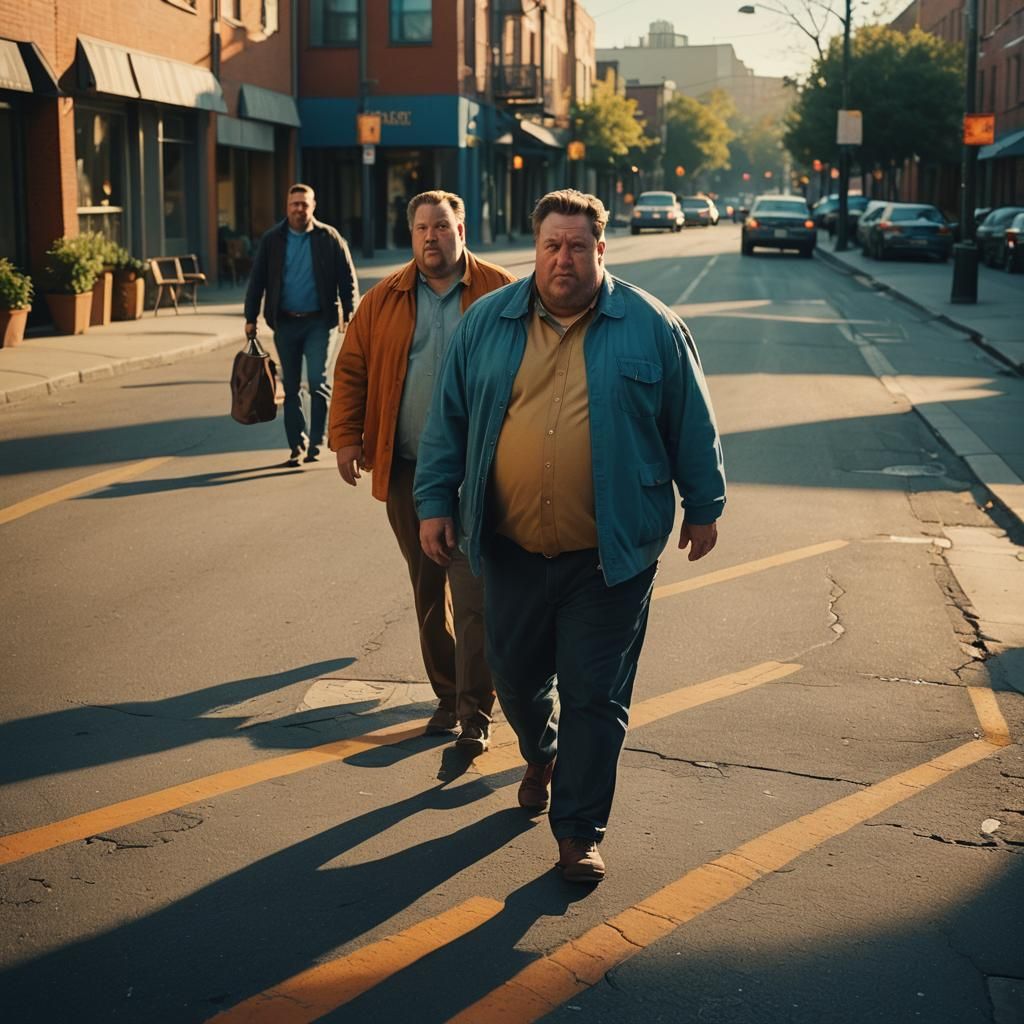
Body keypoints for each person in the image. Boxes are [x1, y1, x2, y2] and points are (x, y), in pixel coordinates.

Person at [414, 189, 725, 883]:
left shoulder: (652, 326)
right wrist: (434, 501)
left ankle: (579, 831)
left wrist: (704, 504)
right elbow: (447, 421)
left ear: (600, 250)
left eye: (578, 246)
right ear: (536, 249)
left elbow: (691, 422)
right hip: (510, 549)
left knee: (596, 694)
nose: (564, 258)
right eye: (552, 245)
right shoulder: (488, 323)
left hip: (611, 556)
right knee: (515, 676)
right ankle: (542, 750)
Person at [328, 190, 515, 755]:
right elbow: (352, 368)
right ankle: (448, 693)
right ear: (411, 235)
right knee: (428, 589)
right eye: (421, 228)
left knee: (475, 591)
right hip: (408, 468)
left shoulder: (501, 290)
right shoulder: (383, 298)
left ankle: (475, 710)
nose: (431, 236)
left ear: (462, 230)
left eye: (441, 226)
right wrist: (345, 437)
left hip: (483, 470)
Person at [245, 184, 358, 466]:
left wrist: (351, 313)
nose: (299, 209)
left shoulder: (329, 237)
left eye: (304, 204)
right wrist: (250, 317)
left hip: (320, 322)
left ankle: (316, 442)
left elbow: (347, 278)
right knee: (292, 386)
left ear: (313, 206)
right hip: (285, 323)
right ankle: (297, 445)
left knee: (318, 382)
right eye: (294, 204)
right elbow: (257, 280)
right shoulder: (273, 239)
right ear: (287, 206)